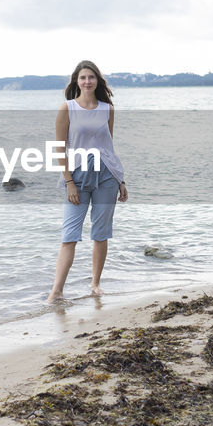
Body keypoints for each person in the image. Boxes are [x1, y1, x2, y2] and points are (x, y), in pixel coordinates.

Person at [48, 60, 129, 301]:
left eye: (91, 77)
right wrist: (69, 181)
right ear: (76, 82)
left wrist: (121, 180)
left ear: (97, 81)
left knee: (100, 233)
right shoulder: (68, 108)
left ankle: (95, 284)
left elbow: (109, 146)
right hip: (78, 175)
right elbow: (60, 148)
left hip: (107, 175)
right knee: (69, 235)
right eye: (83, 78)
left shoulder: (107, 108)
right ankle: (57, 291)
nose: (87, 82)